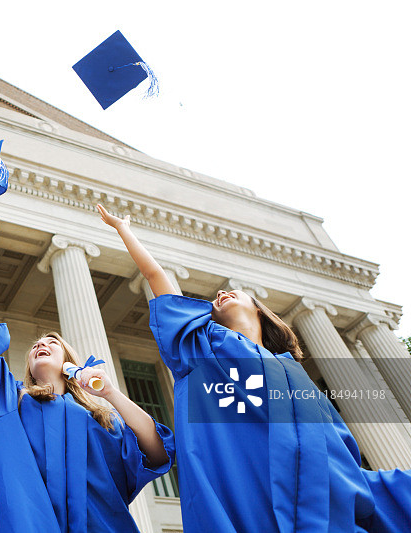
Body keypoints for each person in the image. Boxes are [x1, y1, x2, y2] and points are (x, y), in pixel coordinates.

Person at [98, 203, 411, 532]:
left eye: (232, 292)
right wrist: (124, 230)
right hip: (237, 479)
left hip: (301, 480)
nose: (221, 293)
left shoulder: (290, 370)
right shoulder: (201, 344)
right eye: (217, 297)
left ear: (261, 311)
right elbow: (156, 277)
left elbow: (332, 438)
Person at [0, 235, 175, 533]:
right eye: (35, 346)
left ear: (68, 362)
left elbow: (156, 450)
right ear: (29, 366)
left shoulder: (100, 420)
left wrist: (110, 393)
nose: (40, 345)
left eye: (51, 344)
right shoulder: (11, 404)